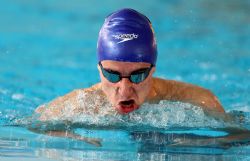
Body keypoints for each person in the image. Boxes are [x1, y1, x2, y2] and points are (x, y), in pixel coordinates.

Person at [33, 8, 250, 147]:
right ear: (99, 69)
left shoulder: (197, 100)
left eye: (138, 76)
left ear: (153, 69)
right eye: (112, 75)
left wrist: (202, 143)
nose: (125, 90)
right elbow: (36, 123)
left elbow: (241, 135)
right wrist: (70, 138)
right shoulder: (81, 103)